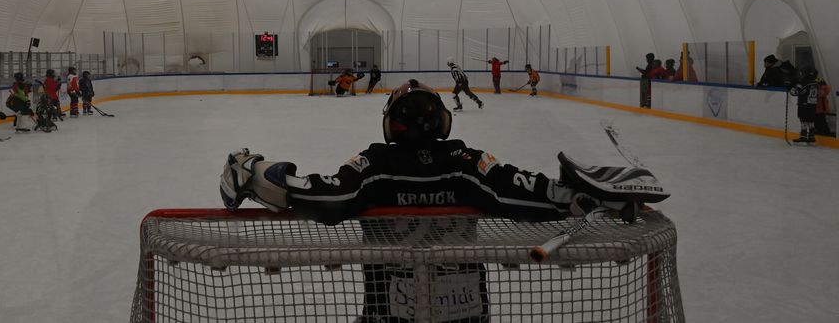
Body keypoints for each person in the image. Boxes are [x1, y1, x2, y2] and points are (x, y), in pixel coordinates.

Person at [219, 79, 667, 322]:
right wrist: (582, 197)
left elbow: (328, 195)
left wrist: (257, 175)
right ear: (442, 121)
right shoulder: (465, 161)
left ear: (392, 124)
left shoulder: (377, 164)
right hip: (467, 316)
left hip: (387, 315)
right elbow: (526, 190)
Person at [789, 68, 822, 144]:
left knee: (803, 119)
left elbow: (794, 92)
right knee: (811, 120)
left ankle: (803, 136)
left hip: (804, 103)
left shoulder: (804, 82)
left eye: (803, 73)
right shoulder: (816, 82)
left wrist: (791, 87)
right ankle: (811, 136)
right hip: (813, 104)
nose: (801, 75)